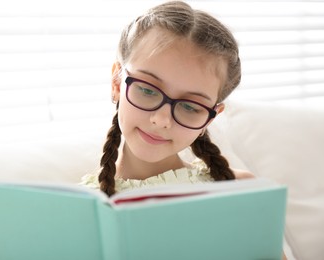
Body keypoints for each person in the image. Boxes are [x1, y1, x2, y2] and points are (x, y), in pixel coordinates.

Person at [81, 0, 253, 196]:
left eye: (190, 107)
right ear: (117, 83)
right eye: (147, 91)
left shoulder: (240, 188)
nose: (162, 120)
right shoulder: (80, 205)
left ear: (210, 118)